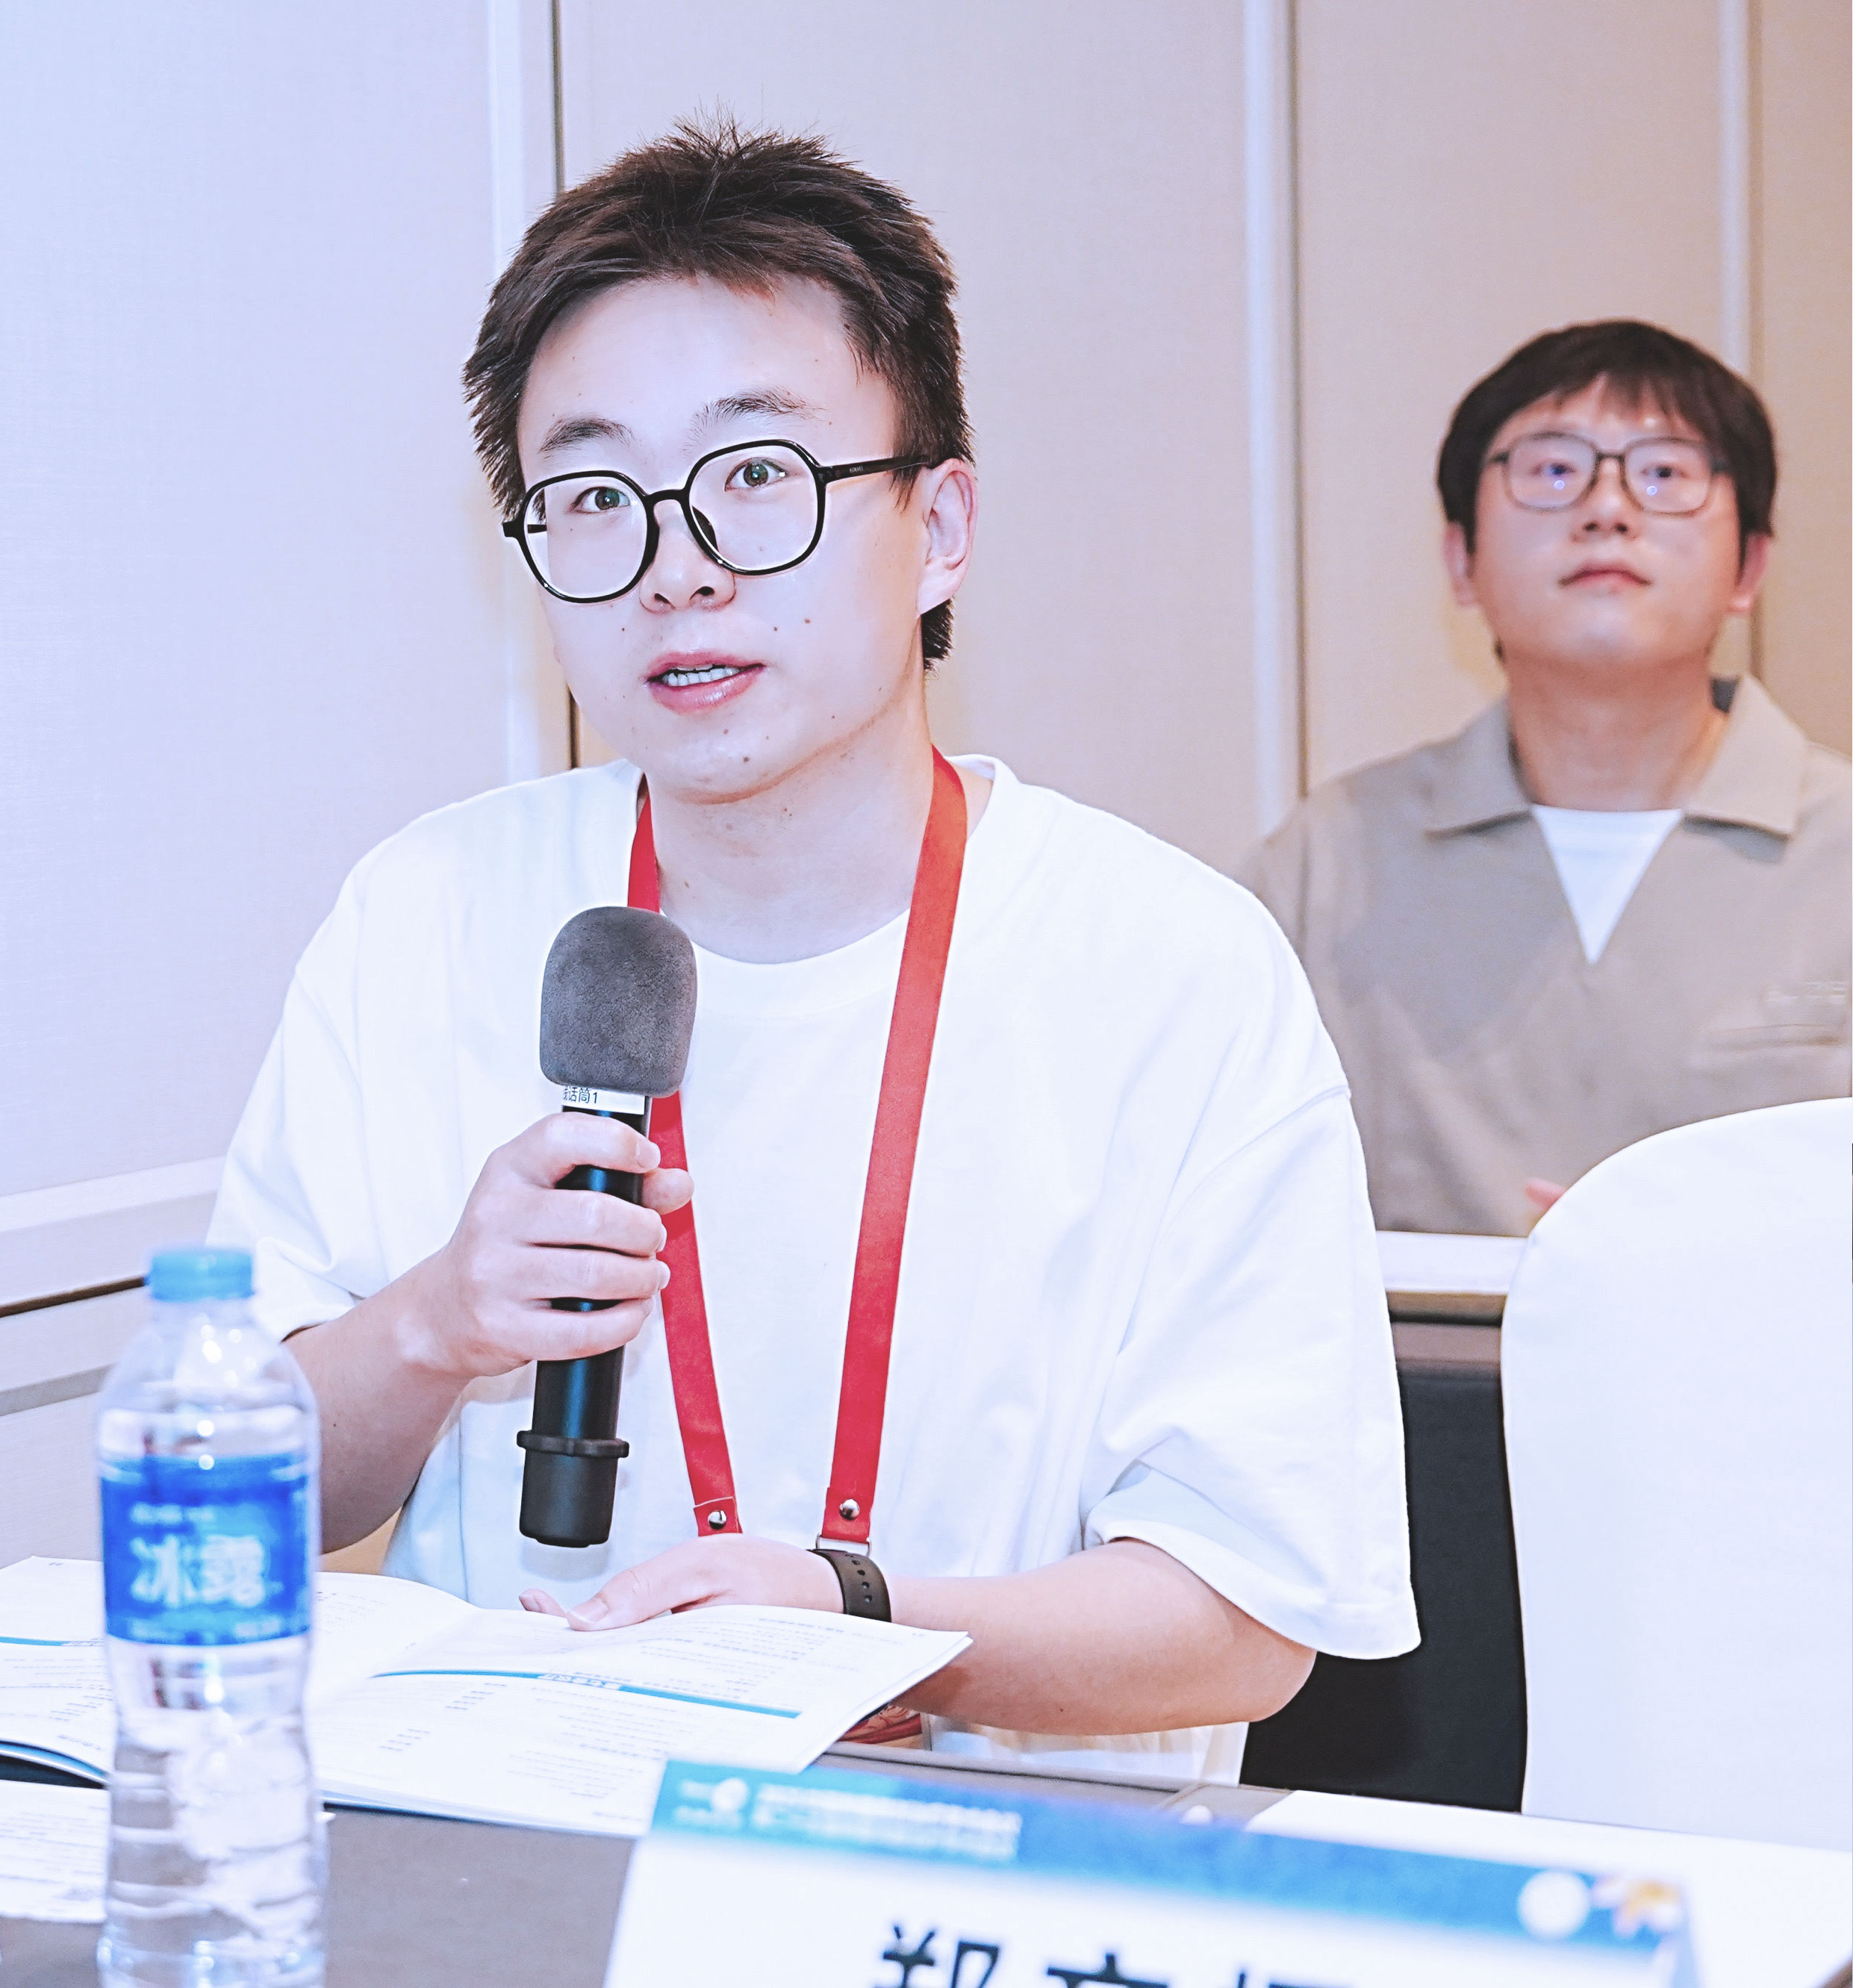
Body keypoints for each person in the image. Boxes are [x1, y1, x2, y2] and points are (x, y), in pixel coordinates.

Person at [210, 125, 1414, 1781]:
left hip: (997, 1879)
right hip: (527, 1846)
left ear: (941, 523)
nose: (678, 565)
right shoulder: (425, 912)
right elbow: (233, 1504)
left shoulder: (1168, 964)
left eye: (759, 474)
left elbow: (1250, 1616)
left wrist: (852, 1611)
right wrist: (435, 1320)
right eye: (593, 496)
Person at [1248, 322, 1850, 1239]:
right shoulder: (1325, 864)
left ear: (1750, 567)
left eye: (1664, 474)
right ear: (1461, 558)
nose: (1608, 509)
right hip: (1420, 1341)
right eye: (1553, 471)